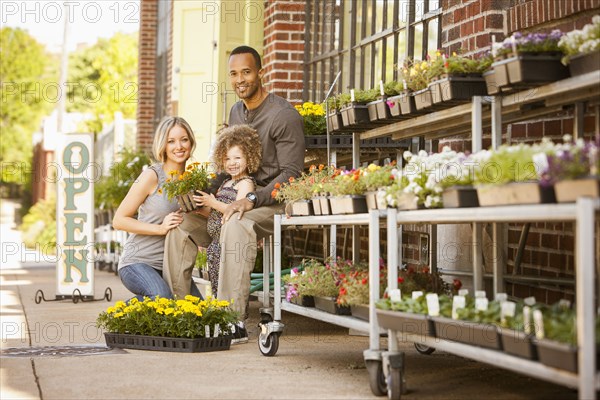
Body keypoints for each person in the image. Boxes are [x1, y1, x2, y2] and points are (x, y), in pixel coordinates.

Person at [164, 45, 305, 343]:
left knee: (236, 223)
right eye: (233, 73)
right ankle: (180, 312)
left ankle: (231, 321)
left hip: (272, 202)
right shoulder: (236, 111)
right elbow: (227, 168)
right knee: (181, 226)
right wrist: (200, 192)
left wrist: (251, 198)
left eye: (246, 71)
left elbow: (292, 174)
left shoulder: (284, 115)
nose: (240, 79)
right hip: (235, 200)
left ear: (260, 72)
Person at [113, 116, 202, 301]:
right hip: (137, 262)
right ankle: (120, 317)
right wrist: (160, 229)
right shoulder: (152, 176)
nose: (179, 146)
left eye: (184, 139)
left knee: (195, 309)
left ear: (191, 142)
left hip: (171, 267)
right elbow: (119, 220)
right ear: (163, 145)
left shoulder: (192, 180)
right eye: (171, 141)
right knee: (162, 297)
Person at [195, 125, 262, 296]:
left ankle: (234, 319)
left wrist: (213, 202)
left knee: (230, 287)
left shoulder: (245, 183)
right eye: (227, 159)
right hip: (216, 245)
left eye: (237, 158)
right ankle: (222, 317)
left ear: (249, 157)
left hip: (229, 244)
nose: (232, 163)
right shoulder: (226, 183)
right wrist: (204, 210)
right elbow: (219, 213)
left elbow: (237, 210)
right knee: (218, 288)